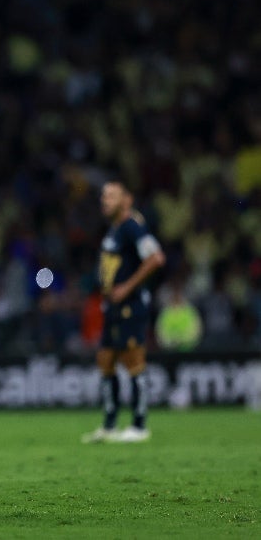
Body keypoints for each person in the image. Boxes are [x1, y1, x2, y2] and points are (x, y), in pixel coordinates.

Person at [82, 181, 165, 444]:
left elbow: (156, 258)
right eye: (103, 196)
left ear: (126, 201)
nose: (105, 201)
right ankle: (109, 425)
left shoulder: (131, 227)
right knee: (105, 360)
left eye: (111, 196)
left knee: (133, 361)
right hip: (114, 307)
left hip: (131, 305)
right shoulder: (115, 229)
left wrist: (127, 287)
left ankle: (139, 426)